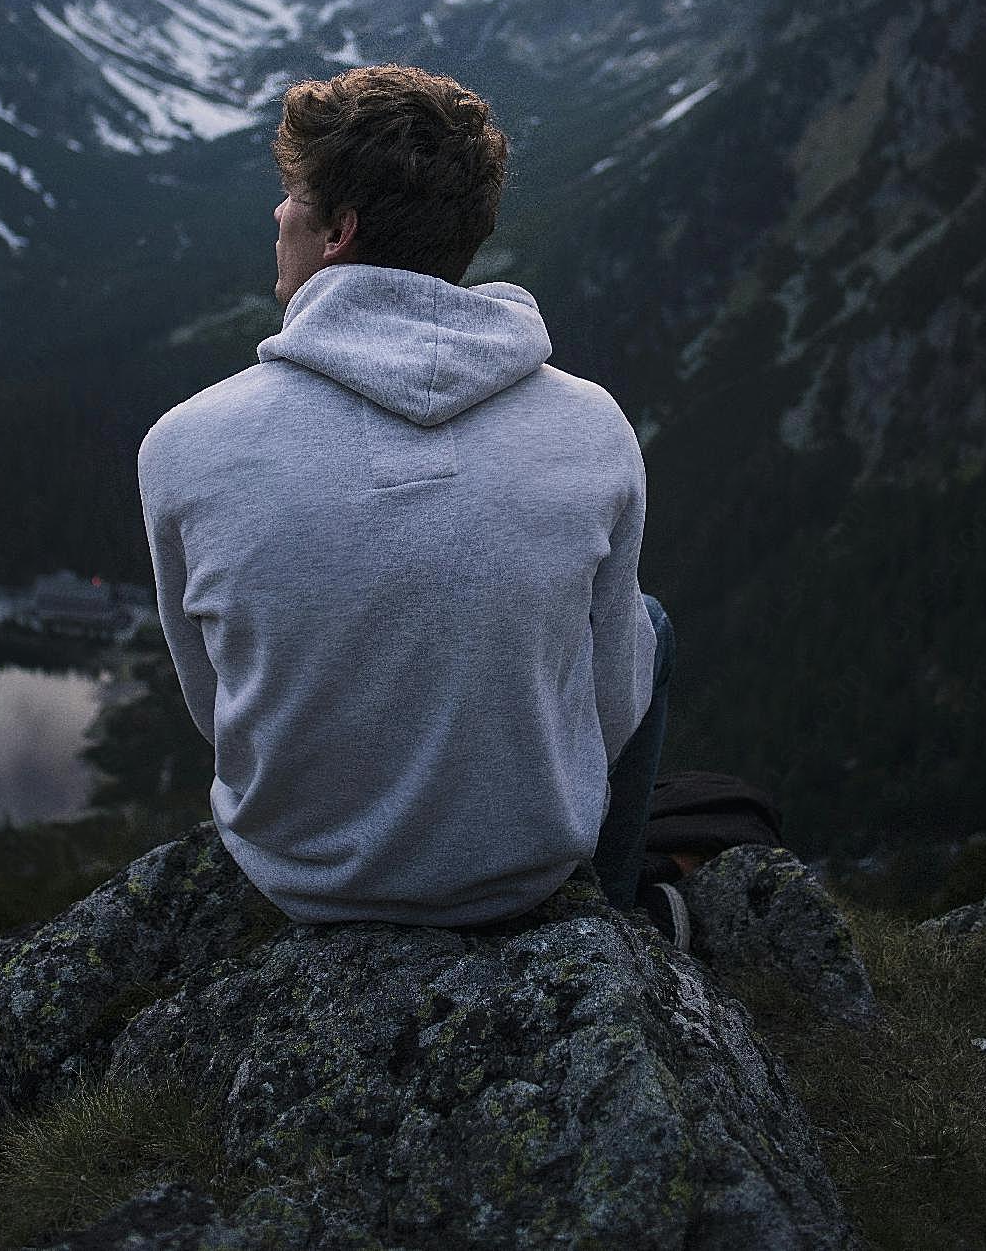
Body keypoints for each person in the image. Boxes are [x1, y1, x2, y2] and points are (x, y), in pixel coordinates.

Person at [137, 63, 683, 936]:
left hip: (302, 877)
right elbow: (612, 712)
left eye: (294, 195)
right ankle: (614, 921)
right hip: (526, 876)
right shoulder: (594, 424)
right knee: (647, 623)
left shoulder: (184, 443)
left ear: (339, 232)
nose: (278, 213)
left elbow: (219, 707)